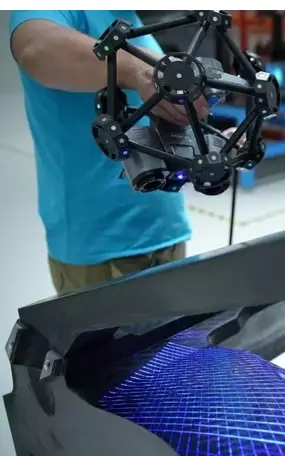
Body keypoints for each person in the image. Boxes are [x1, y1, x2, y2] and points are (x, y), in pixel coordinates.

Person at [9, 11, 210, 294]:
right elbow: (36, 48)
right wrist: (133, 69)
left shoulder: (128, 16)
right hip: (99, 249)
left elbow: (157, 122)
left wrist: (213, 143)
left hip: (166, 232)